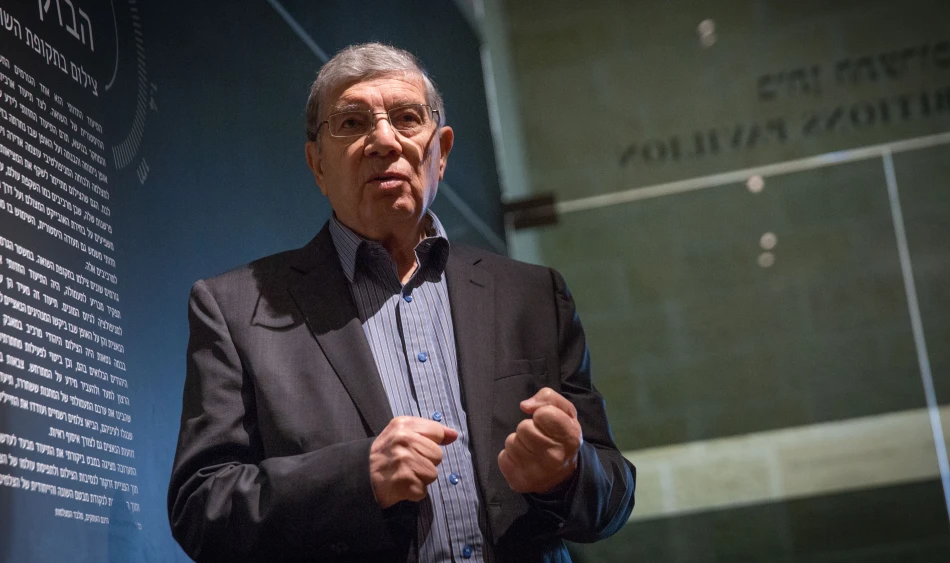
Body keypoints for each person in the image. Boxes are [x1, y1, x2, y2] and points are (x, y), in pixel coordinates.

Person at [167, 42, 635, 563]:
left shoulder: (533, 294)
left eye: (407, 118)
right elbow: (201, 508)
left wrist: (567, 474)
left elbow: (613, 498)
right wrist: (358, 477)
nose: (383, 140)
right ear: (316, 164)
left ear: (442, 150)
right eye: (351, 122)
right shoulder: (235, 308)